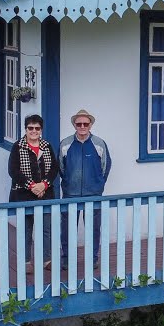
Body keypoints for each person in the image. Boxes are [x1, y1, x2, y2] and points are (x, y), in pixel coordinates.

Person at [59, 109, 111, 267]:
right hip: (70, 194)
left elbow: (106, 166)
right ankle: (67, 259)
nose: (82, 126)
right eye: (79, 124)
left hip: (93, 194)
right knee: (67, 229)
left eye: (85, 124)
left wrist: (98, 184)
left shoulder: (99, 143)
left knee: (93, 229)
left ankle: (92, 258)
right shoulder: (65, 143)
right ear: (74, 125)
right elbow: (61, 167)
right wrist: (68, 182)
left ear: (90, 125)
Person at [8, 114, 60, 265]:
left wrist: (44, 184)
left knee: (46, 229)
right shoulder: (17, 146)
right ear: (25, 129)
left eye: (37, 128)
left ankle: (46, 260)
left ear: (41, 130)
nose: (34, 131)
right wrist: (32, 186)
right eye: (30, 128)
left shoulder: (46, 146)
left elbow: (54, 168)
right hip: (23, 195)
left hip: (46, 194)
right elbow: (13, 171)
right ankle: (26, 261)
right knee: (26, 230)